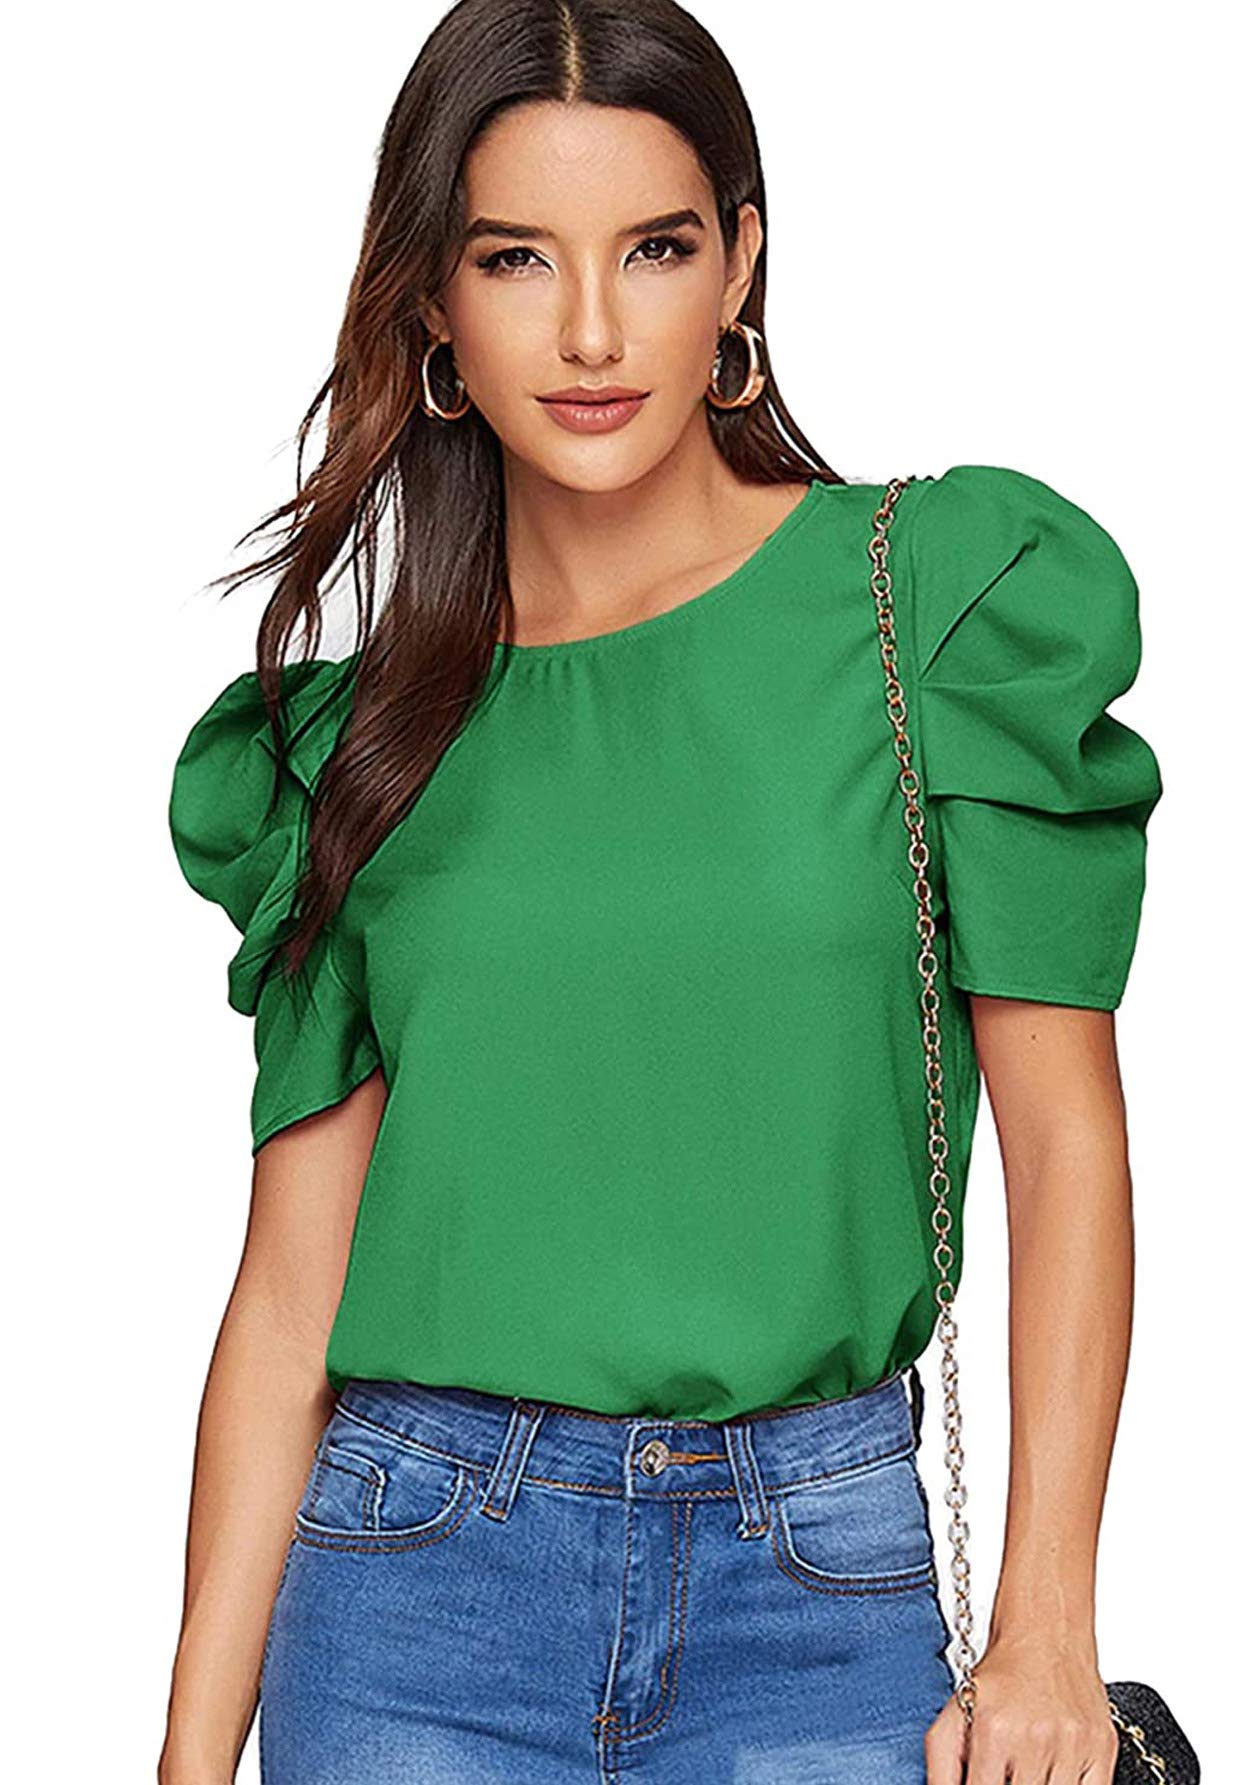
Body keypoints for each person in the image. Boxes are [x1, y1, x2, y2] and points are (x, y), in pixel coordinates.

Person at [158, 3, 1163, 1782]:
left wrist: (1048, 1626)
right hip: (412, 1602)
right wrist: (185, 1760)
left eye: (656, 248)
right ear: (433, 304)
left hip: (819, 1592)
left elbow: (1065, 1139)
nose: (593, 330)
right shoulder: (358, 743)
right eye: (517, 259)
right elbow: (290, 1301)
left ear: (740, 264)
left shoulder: (935, 606)